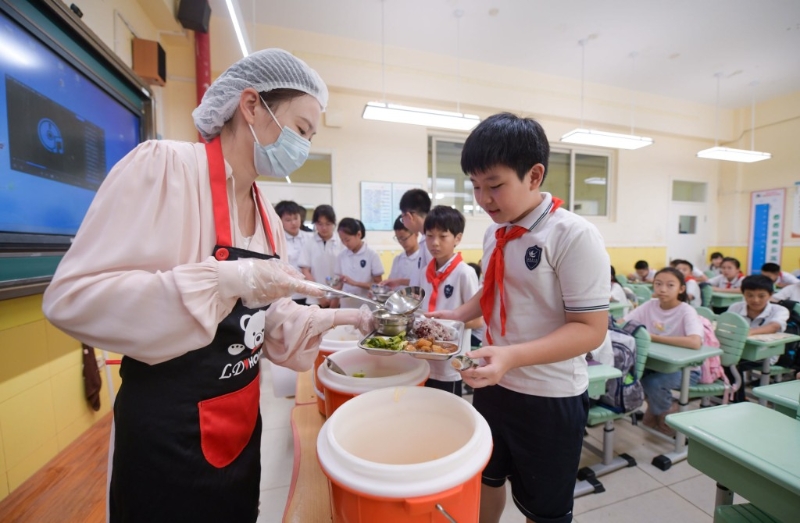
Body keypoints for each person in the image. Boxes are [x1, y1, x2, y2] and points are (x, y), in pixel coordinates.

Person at [42, 49, 374, 523]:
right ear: (252, 106)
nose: (303, 147)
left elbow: (257, 320)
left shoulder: (268, 218)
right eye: (301, 130)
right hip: (166, 434)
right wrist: (226, 278)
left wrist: (344, 316)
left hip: (239, 428)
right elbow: (71, 299)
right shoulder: (166, 170)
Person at [429, 113, 608, 523]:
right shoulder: (495, 231)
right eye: (475, 186)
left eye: (494, 185)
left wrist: (512, 357)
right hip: (493, 382)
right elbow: (494, 288)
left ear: (534, 175)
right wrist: (459, 314)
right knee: (485, 479)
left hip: (549, 396)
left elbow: (590, 330)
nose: (483, 199)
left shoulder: (573, 236)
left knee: (544, 509)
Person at [623, 267, 703, 437]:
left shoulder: (686, 311)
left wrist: (652, 337)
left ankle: (667, 413)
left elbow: (695, 342)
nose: (662, 289)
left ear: (681, 289)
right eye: (658, 284)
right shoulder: (650, 305)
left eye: (670, 285)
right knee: (634, 377)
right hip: (659, 365)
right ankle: (658, 409)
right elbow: (624, 322)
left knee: (653, 383)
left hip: (687, 370)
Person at [418, 206, 481, 396]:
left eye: (443, 236)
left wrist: (442, 326)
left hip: (450, 364)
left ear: (458, 238)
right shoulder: (424, 272)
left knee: (447, 411)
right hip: (424, 359)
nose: (434, 243)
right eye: (429, 236)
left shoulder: (464, 273)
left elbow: (478, 320)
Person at [298, 204, 342, 308]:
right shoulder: (309, 243)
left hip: (338, 299)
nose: (324, 228)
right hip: (314, 299)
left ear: (334, 223)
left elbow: (344, 274)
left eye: (328, 224)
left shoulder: (341, 242)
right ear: (315, 224)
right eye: (320, 224)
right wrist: (320, 296)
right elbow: (305, 271)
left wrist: (335, 297)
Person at [333, 218, 384, 308]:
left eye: (347, 240)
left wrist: (355, 283)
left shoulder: (371, 255)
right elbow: (339, 285)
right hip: (346, 305)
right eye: (342, 240)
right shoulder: (341, 256)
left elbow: (378, 285)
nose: (345, 243)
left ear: (359, 234)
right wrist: (331, 308)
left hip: (366, 305)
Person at [275, 200, 312, 304]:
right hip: (289, 294)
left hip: (310, 292)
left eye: (296, 218)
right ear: (279, 221)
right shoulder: (277, 240)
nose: (294, 223)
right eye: (288, 220)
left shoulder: (311, 238)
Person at [399, 188, 432, 286]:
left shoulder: (431, 243)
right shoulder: (424, 239)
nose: (403, 222)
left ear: (409, 216)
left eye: (402, 218)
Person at [382, 215, 421, 289]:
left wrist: (400, 281)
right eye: (398, 239)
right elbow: (391, 286)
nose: (401, 242)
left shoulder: (424, 258)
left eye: (404, 238)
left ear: (416, 233)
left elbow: (423, 283)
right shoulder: (398, 259)